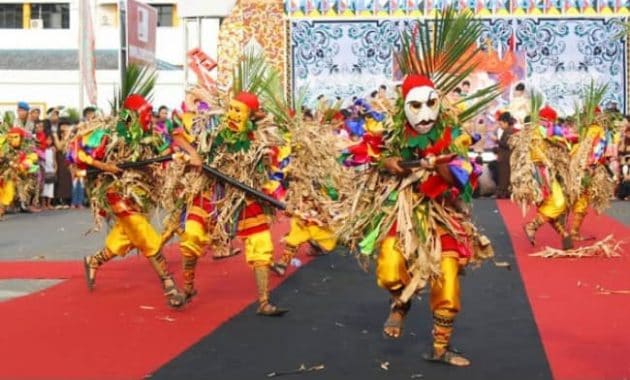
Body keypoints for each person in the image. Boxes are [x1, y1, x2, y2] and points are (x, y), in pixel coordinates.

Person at [495, 112, 516, 198]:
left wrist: (497, 141)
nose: (500, 126)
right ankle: (503, 192)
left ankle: (503, 193)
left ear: (506, 122)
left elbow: (508, 144)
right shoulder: (508, 130)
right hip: (504, 157)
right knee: (504, 175)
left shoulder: (509, 131)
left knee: (505, 175)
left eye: (501, 124)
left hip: (506, 157)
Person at [41, 135, 56, 209]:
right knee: (44, 187)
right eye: (47, 139)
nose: (49, 141)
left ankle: (49, 203)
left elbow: (54, 159)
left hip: (51, 169)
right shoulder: (43, 148)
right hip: (44, 169)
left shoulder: (53, 149)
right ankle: (43, 204)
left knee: (51, 187)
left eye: (50, 140)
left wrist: (55, 168)